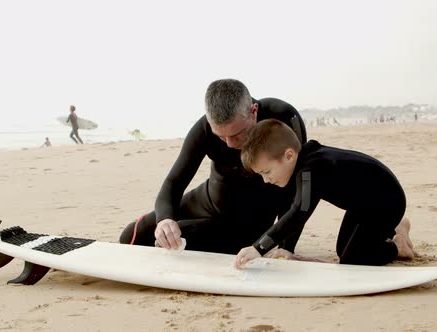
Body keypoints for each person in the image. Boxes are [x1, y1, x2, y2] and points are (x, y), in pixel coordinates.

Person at [119, 79, 307, 254]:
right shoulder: (204, 129)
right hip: (206, 200)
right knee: (132, 235)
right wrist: (165, 220)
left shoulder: (283, 120)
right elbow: (174, 182)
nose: (230, 144)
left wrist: (286, 247)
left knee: (178, 239)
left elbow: (299, 191)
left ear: (254, 111)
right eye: (220, 136)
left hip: (245, 224)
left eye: (237, 134)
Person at [234, 119, 413, 268]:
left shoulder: (310, 171)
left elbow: (298, 213)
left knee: (353, 260)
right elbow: (297, 208)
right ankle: (396, 228)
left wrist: (258, 248)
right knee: (343, 250)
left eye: (266, 172)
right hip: (362, 206)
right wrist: (287, 248)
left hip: (387, 202)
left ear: (288, 156)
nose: (266, 180)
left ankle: (398, 246)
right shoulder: (301, 164)